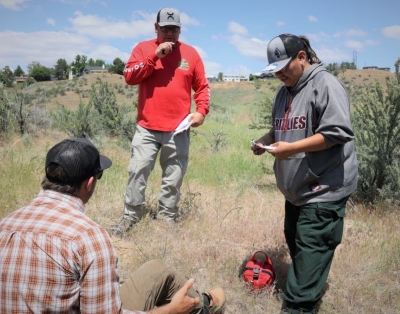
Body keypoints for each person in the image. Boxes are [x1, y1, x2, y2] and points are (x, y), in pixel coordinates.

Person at [0, 138, 225, 314]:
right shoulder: (88, 237)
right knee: (159, 270)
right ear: (89, 183)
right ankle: (201, 305)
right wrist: (170, 311)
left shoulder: (6, 225)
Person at [251, 34, 358, 314]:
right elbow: (282, 129)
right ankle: (307, 285)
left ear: (302, 57)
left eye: (285, 66)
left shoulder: (325, 85)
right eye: (275, 69)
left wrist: (292, 149)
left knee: (311, 251)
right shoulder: (284, 92)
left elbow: (338, 133)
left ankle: (299, 305)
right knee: (299, 248)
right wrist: (266, 141)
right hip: (297, 191)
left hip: (323, 190)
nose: (280, 74)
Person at [111, 7, 210, 236]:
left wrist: (201, 112)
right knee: (138, 171)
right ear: (156, 28)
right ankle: (131, 217)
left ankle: (167, 218)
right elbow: (129, 76)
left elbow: (202, 87)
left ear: (180, 30)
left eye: (174, 29)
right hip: (147, 127)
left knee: (173, 176)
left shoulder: (191, 54)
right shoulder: (143, 49)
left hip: (178, 128)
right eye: (165, 28)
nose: (170, 34)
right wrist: (155, 55)